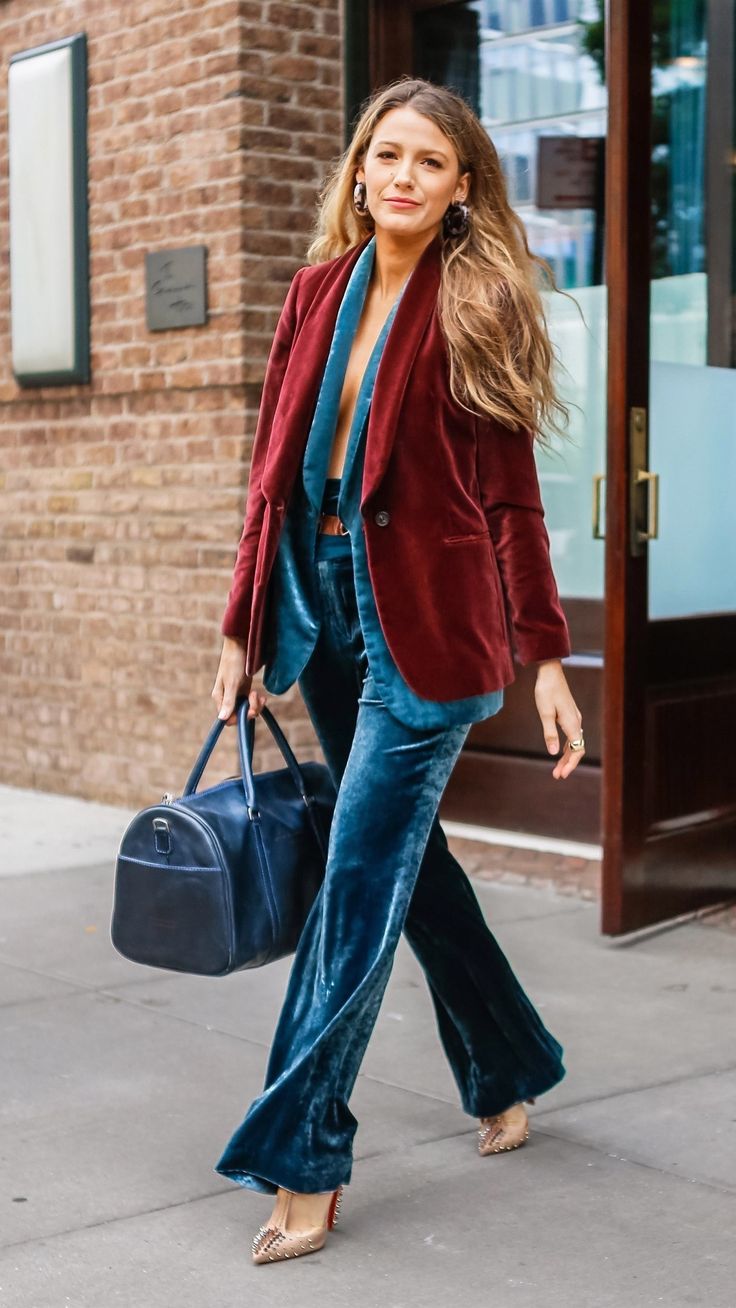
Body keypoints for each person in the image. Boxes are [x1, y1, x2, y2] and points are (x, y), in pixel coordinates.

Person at [211, 76, 585, 1266]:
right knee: (404, 867)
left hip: (426, 632)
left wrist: (547, 660)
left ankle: (303, 1152)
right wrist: (239, 628)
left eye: (430, 160)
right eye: (387, 155)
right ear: (359, 170)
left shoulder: (479, 303)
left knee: (356, 880)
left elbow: (513, 507)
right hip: (317, 612)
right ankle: (510, 1062)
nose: (404, 176)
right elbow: (269, 478)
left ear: (461, 184)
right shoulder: (315, 292)